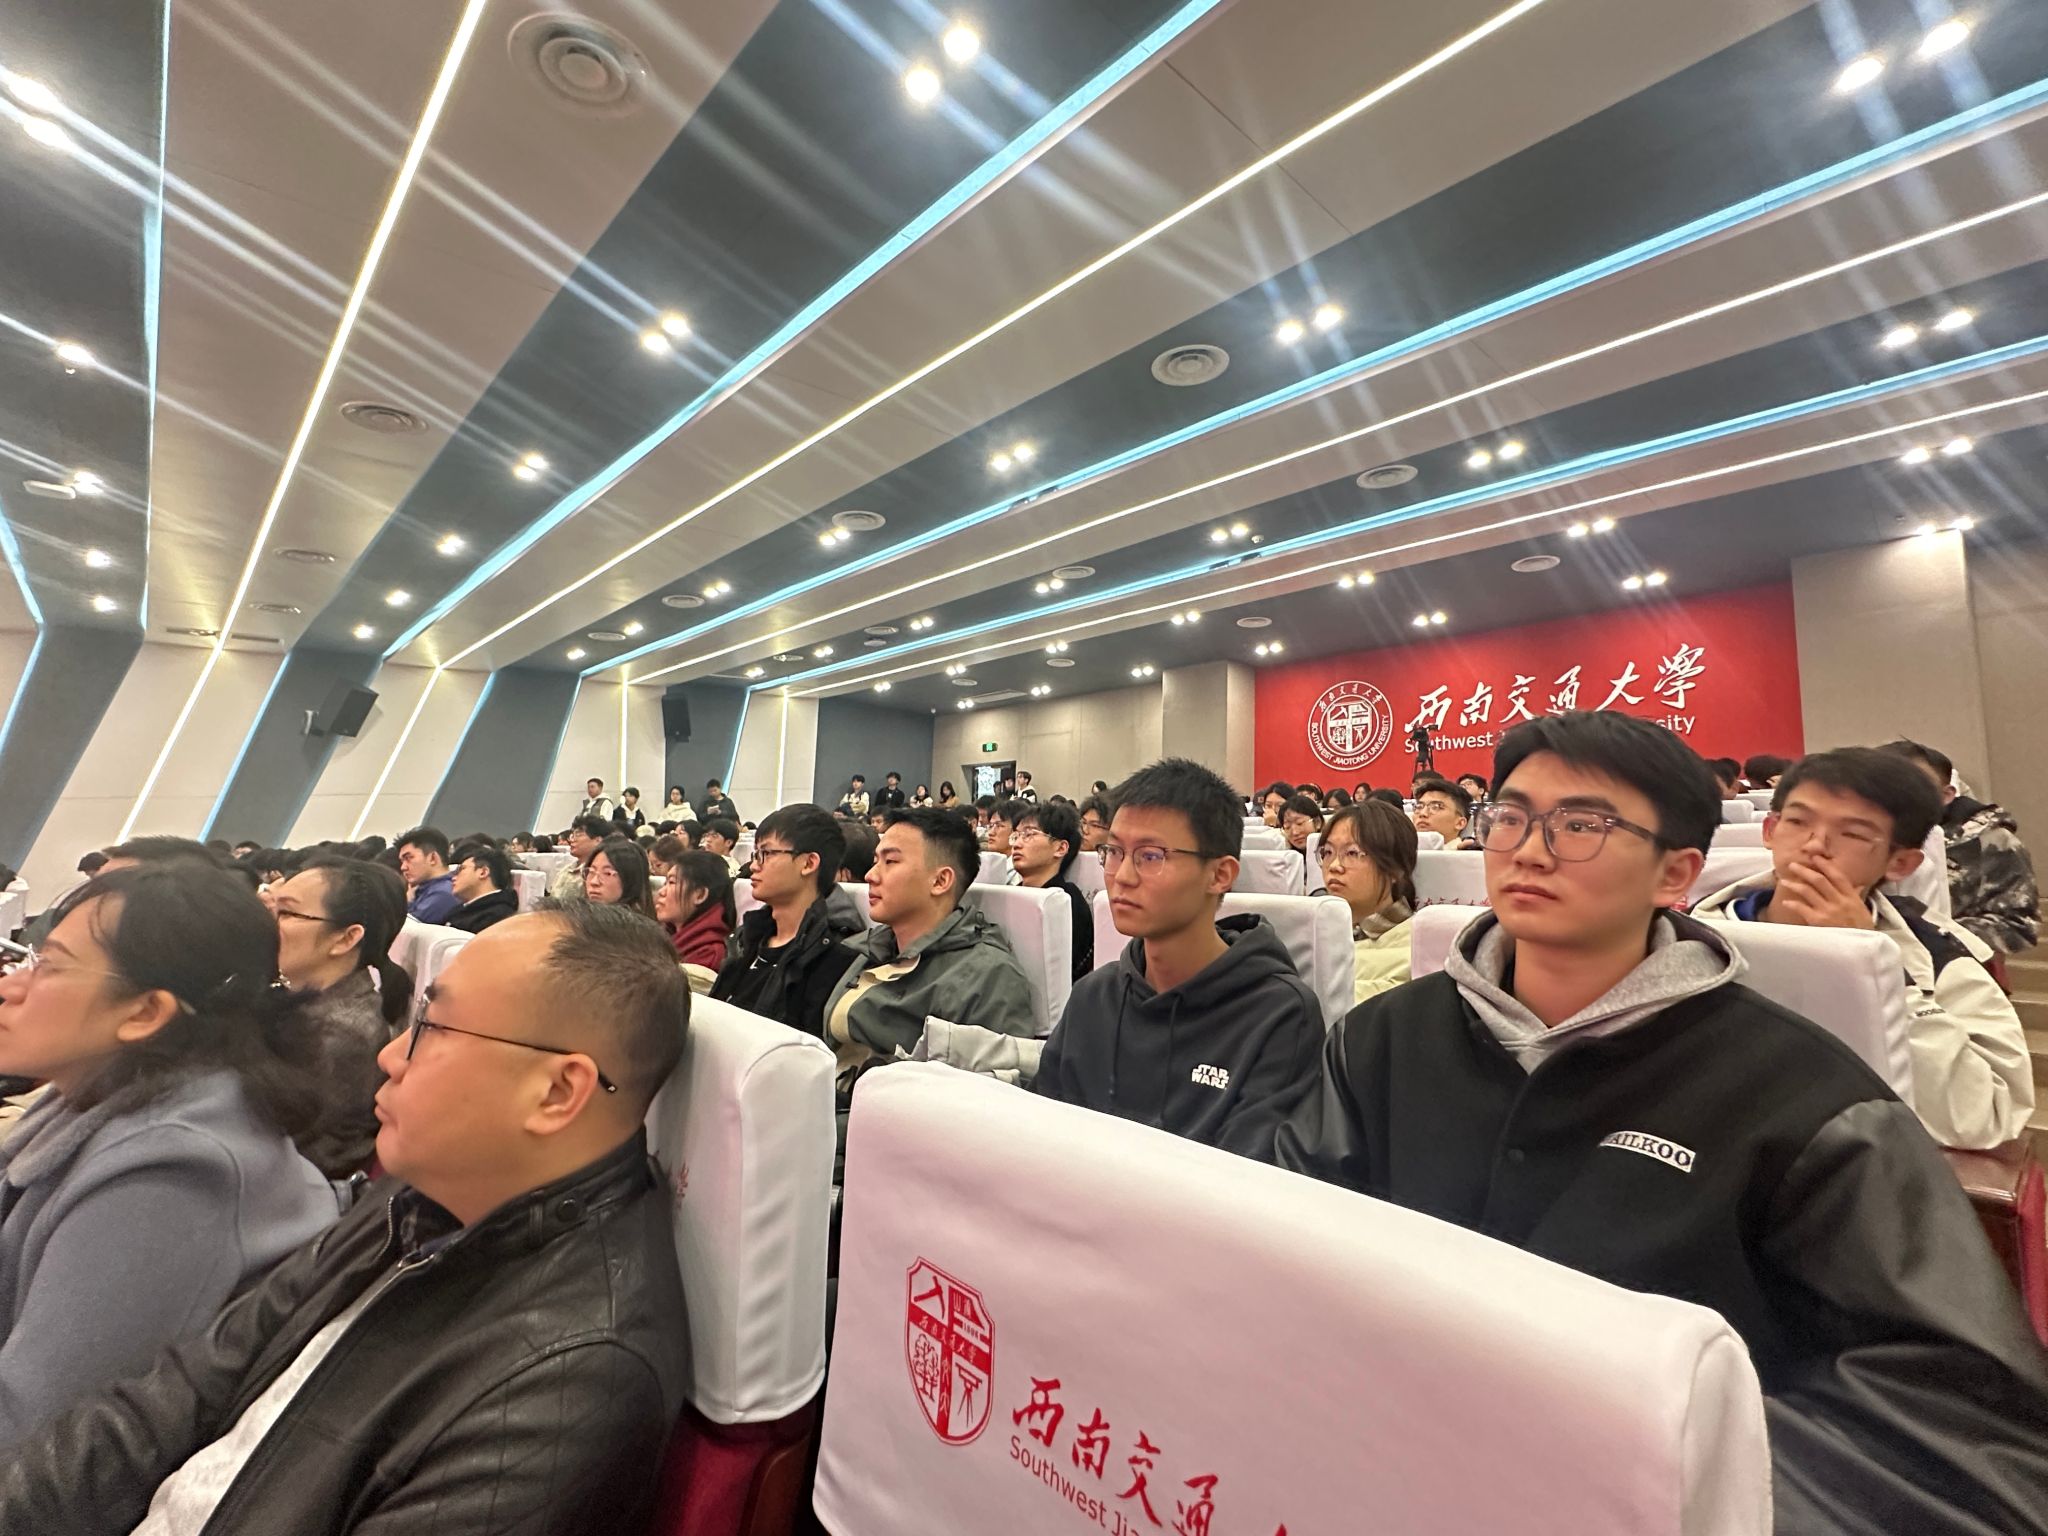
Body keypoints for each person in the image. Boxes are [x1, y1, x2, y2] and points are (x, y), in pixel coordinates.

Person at [1272, 711, 2048, 1533]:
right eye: (1510, 818)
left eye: (1581, 826)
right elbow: (1286, 1252)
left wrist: (1658, 1480)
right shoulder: (1382, 1037)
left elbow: (1972, 1449)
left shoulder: (1808, 1095)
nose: (1529, 851)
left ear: (1676, 873)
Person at [0, 904, 692, 1532]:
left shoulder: (568, 1378)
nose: (390, 1054)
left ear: (557, 1091)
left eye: (432, 1028)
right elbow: (177, 1395)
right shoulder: (418, 1201)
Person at [0, 863, 336, 1447]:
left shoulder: (173, 1176)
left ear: (145, 1013)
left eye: (48, 965)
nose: (11, 985)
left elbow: (36, 1438)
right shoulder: (101, 1091)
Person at [1691, 748, 2032, 1151]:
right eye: (1798, 822)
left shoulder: (1936, 954)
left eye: (1852, 833)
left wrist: (1880, 974)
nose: (1815, 845)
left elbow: (1985, 1115)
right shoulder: (1688, 937)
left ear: (1901, 863)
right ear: (1770, 831)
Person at [1034, 759, 1320, 1154]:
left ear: (1220, 875)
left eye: (1151, 856)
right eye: (1114, 852)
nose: (1122, 876)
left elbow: (1250, 1177)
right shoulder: (1093, 996)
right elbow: (1042, 1139)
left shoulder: (1280, 1016)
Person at [826, 808, 1036, 1095]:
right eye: (875, 861)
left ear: (940, 881)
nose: (871, 875)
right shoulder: (865, 947)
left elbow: (991, 1101)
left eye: (890, 861)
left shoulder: (988, 976)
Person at [268, 857, 414, 1177]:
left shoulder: (340, 1032)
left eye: (287, 913)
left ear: (346, 938)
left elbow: (268, 1141)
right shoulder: (302, 1001)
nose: (268, 923)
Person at [713, 805, 863, 1038]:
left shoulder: (835, 955)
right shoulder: (747, 938)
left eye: (766, 853)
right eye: (755, 855)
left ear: (808, 863)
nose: (754, 866)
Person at [1882, 739, 2039, 954]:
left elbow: (2020, 926)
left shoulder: (1991, 841)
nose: (1899, 796)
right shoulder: (1858, 840)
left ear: (1946, 794)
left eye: (1916, 786)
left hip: (1957, 964)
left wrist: (1936, 933)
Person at [1318, 800, 1418, 1004]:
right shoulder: (1312, 933)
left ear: (1395, 869)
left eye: (1352, 853)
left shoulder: (1418, 946)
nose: (1334, 866)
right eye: (1327, 852)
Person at [1009, 801, 1093, 980]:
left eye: (1029, 834)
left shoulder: (1068, 902)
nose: (1016, 844)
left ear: (1060, 848)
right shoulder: (1009, 895)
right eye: (1016, 836)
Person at [658, 850, 734, 981]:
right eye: (665, 883)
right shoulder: (666, 935)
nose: (661, 892)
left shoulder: (708, 954)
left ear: (700, 895)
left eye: (671, 882)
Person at [447, 844, 518, 934]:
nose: (453, 878)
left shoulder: (497, 918)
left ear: (483, 872)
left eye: (461, 869)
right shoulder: (462, 909)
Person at [394, 826, 460, 923]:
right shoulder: (421, 889)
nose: (403, 867)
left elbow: (405, 927)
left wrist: (407, 902)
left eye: (408, 858)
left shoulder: (443, 893)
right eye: (402, 861)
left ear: (432, 858)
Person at [584, 836, 658, 922]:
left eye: (607, 873)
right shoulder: (579, 918)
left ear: (630, 880)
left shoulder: (638, 926)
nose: (594, 882)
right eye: (591, 872)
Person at [552, 815, 611, 903]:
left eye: (578, 835)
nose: (572, 840)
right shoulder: (566, 870)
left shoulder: (601, 874)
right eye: (572, 835)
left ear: (598, 840)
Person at [1411, 777, 1477, 849]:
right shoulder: (1405, 850)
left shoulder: (1471, 854)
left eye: (1436, 807)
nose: (1423, 813)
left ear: (1460, 823)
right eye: (1419, 807)